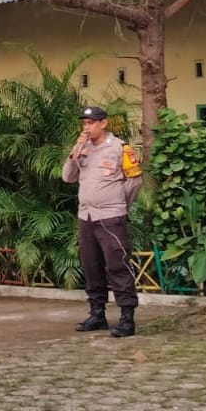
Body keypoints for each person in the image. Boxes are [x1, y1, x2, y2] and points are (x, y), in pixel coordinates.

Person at [62, 106, 143, 338]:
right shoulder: (82, 148)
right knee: (91, 266)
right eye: (84, 123)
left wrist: (118, 205)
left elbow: (134, 183)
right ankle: (97, 314)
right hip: (86, 217)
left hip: (111, 217)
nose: (86, 127)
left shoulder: (119, 148)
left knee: (118, 266)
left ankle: (127, 318)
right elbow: (67, 177)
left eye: (91, 122)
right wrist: (74, 152)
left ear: (103, 123)